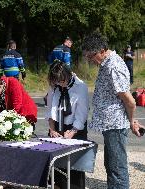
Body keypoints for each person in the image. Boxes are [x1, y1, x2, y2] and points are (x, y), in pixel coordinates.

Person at [82, 32, 142, 189]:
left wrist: (131, 121)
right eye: (87, 57)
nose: (90, 60)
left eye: (91, 56)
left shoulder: (113, 66)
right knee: (111, 165)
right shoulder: (106, 63)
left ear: (102, 50)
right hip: (110, 124)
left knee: (117, 168)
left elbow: (130, 101)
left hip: (115, 124)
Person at [45, 60, 89, 189]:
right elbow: (50, 109)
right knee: (56, 162)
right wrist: (52, 129)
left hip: (76, 128)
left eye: (62, 81)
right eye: (57, 82)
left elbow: (82, 114)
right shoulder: (54, 86)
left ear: (68, 75)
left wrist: (73, 131)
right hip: (57, 126)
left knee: (74, 165)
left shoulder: (80, 86)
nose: (60, 84)